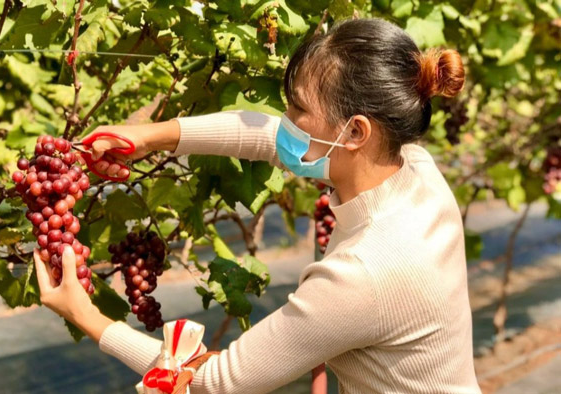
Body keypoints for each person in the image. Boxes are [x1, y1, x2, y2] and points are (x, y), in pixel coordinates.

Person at [33, 18, 481, 393]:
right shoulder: (415, 171)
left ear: (355, 132)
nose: (285, 122)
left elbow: (215, 381)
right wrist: (152, 137)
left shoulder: (362, 275)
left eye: (297, 110)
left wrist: (87, 316)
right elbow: (271, 137)